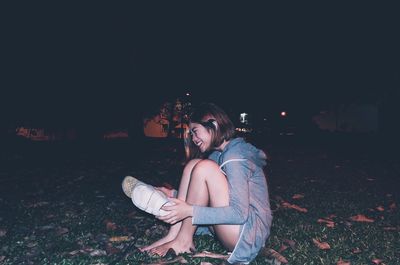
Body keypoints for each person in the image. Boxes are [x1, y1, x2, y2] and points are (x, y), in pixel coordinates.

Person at [135, 102, 272, 264]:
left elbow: (239, 213)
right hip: (232, 229)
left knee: (203, 167)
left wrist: (190, 210)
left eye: (195, 131)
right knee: (194, 165)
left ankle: (184, 240)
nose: (193, 139)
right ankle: (174, 235)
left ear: (213, 124)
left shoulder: (235, 157)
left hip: (247, 236)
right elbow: (205, 195)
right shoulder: (218, 155)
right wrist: (172, 194)